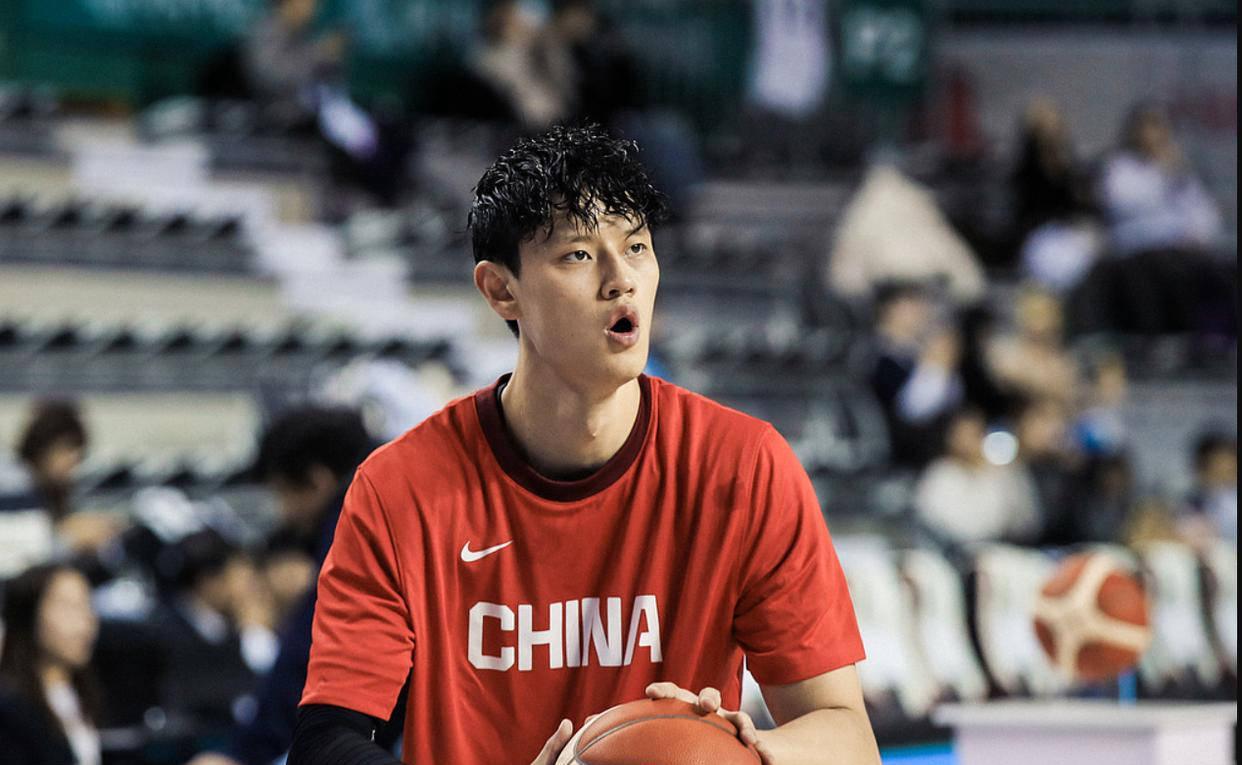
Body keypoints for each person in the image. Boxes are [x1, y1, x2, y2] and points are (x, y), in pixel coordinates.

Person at [288, 125, 878, 765]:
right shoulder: (399, 488)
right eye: (577, 254)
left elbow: (844, 733)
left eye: (637, 246)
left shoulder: (744, 468)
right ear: (501, 290)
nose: (621, 280)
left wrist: (746, 752)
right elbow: (328, 743)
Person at [185, 406, 379, 765]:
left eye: (281, 493)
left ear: (317, 480)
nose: (284, 513)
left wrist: (243, 753)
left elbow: (314, 651)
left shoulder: (356, 523)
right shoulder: (404, 489)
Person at [0, 564, 101, 765]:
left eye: (87, 605)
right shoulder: (11, 709)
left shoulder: (79, 692)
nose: (85, 621)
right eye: (69, 607)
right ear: (30, 614)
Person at [1, 400, 123, 556]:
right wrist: (68, 536)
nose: (71, 464)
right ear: (44, 447)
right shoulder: (12, 481)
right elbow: (14, 544)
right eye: (66, 451)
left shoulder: (46, 487)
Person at [867, 281, 964, 469]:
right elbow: (911, 411)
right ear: (889, 309)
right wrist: (936, 367)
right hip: (901, 457)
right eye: (911, 304)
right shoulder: (876, 357)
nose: (920, 311)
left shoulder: (917, 354)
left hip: (938, 453)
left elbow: (953, 400)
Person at [914, 407, 1041, 549]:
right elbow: (935, 522)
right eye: (961, 435)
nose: (966, 442)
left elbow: (1026, 521)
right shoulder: (940, 473)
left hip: (999, 548)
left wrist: (1008, 476)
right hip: (948, 550)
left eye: (974, 434)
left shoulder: (1001, 471)